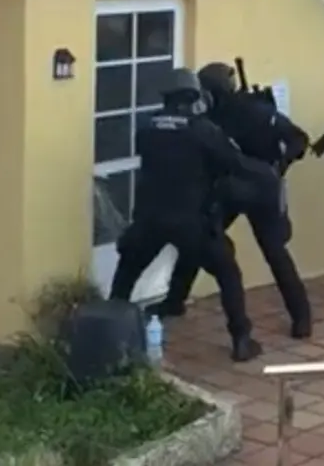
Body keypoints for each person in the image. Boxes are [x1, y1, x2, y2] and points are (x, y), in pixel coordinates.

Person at [110, 68, 274, 362]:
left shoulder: (146, 127)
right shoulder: (203, 130)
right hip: (191, 221)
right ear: (195, 96)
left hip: (150, 219)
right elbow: (234, 163)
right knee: (228, 274)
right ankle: (241, 339)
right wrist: (267, 173)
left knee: (126, 276)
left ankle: (108, 335)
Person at [150, 62, 313, 338]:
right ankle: (175, 300)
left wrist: (277, 167)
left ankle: (302, 317)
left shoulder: (258, 111)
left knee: (274, 252)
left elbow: (299, 139)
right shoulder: (211, 115)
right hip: (231, 187)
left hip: (261, 189)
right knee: (201, 237)